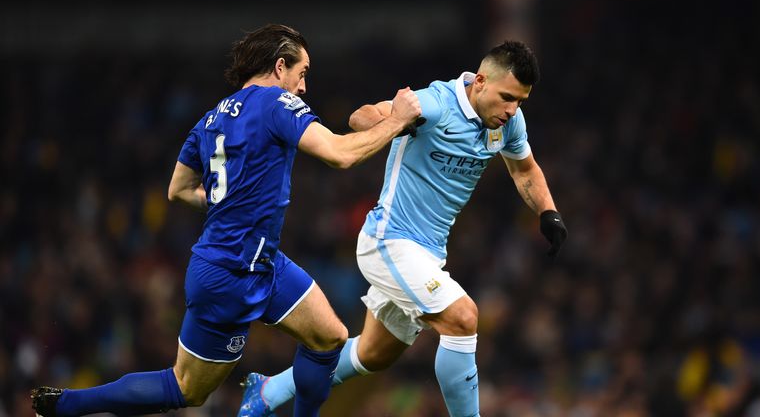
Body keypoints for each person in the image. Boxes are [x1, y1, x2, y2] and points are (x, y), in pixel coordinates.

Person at [30, 23, 422, 417]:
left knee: (329, 337)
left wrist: (221, 200)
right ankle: (71, 404)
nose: (303, 87)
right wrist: (397, 121)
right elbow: (340, 154)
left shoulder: (209, 120)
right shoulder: (276, 103)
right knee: (187, 389)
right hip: (231, 272)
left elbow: (178, 190)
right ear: (280, 66)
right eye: (302, 73)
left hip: (255, 262)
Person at [238, 40, 568, 417]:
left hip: (428, 254)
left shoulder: (508, 124)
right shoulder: (435, 104)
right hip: (390, 241)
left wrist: (548, 212)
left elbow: (524, 169)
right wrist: (396, 119)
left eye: (521, 101)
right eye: (507, 97)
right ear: (480, 81)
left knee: (373, 354)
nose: (512, 110)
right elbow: (359, 117)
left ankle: (268, 390)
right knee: (463, 317)